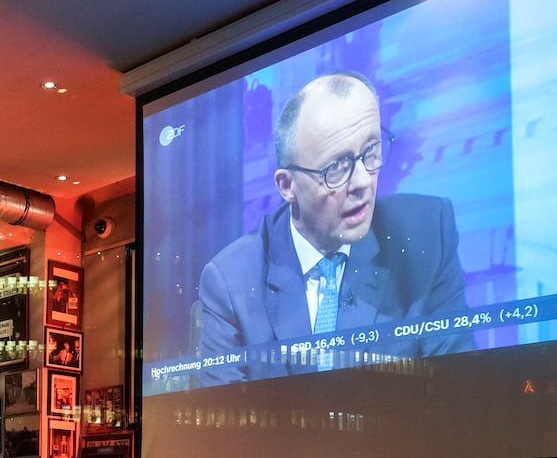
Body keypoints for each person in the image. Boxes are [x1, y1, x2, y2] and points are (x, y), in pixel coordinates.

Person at [195, 70, 468, 386]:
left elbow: (456, 389)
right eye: (336, 167)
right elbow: (222, 423)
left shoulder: (428, 235)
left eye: (371, 153)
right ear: (287, 185)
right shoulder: (231, 280)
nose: (363, 181)